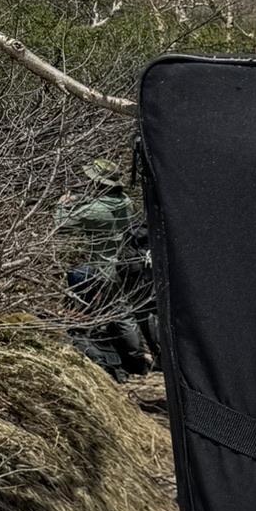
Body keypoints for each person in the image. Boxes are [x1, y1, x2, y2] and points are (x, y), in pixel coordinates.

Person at [56, 158, 156, 378]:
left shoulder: (95, 210)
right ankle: (150, 354)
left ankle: (137, 360)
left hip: (106, 268)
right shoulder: (125, 202)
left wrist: (62, 205)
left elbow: (61, 226)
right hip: (130, 263)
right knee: (135, 309)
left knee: (121, 313)